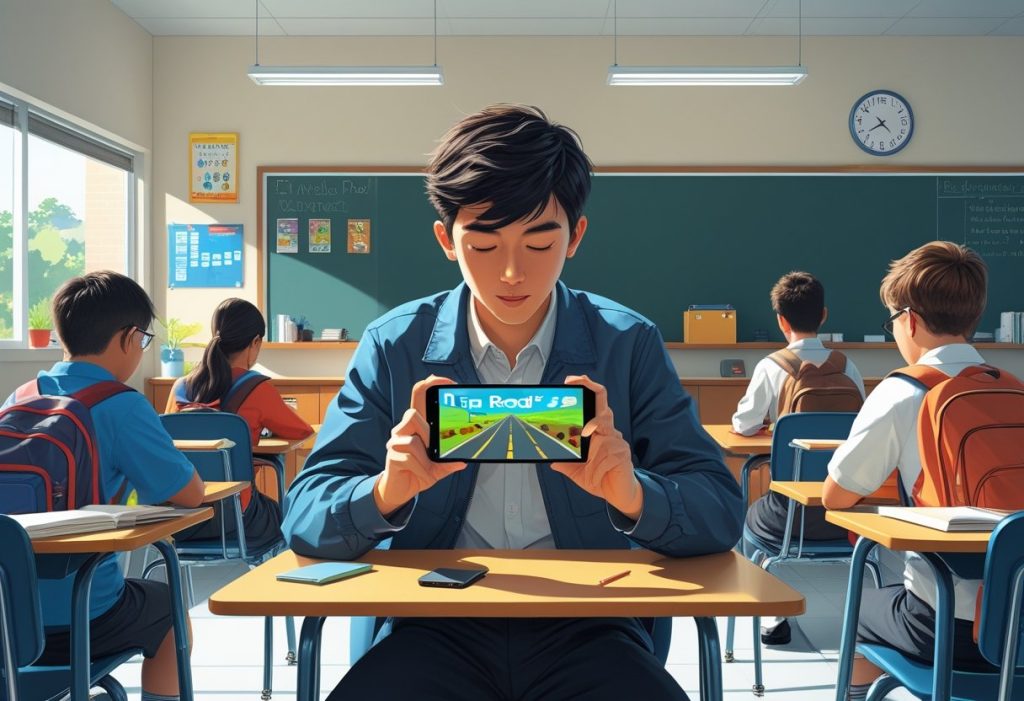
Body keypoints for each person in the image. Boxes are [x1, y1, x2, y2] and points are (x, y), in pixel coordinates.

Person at [283, 104, 743, 701]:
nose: (509, 272)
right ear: (446, 240)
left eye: (538, 240)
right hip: (431, 623)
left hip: (593, 625)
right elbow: (305, 515)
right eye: (483, 243)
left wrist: (631, 494)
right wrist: (385, 492)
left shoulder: (627, 343)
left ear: (574, 236)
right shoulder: (394, 344)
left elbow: (719, 511)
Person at [2, 271, 205, 701]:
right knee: (171, 613)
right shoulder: (122, 404)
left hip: (7, 620)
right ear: (130, 338)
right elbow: (189, 494)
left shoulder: (18, 398)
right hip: (82, 616)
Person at [821, 242, 995, 701]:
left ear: (910, 320)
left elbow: (835, 497)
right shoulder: (1013, 391)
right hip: (1018, 627)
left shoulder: (902, 392)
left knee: (860, 602)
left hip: (951, 632)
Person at [732, 271, 865, 645]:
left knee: (750, 517)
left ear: (780, 320)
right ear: (823, 316)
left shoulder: (771, 367)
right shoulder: (848, 367)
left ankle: (771, 618)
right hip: (846, 516)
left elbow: (743, 425)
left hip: (789, 519)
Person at [166, 297, 312, 552]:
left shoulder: (180, 388)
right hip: (237, 520)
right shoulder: (256, 388)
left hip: (179, 521)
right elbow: (301, 431)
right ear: (255, 342)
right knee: (286, 516)